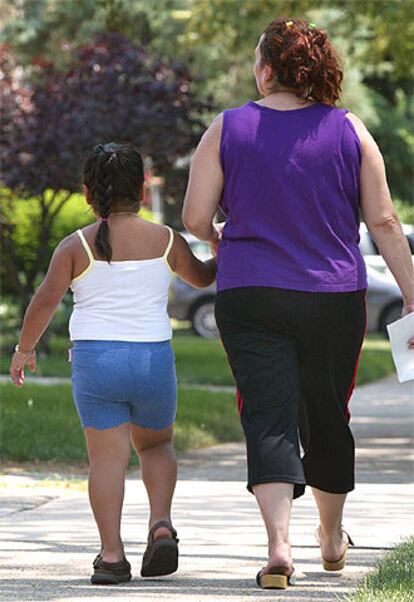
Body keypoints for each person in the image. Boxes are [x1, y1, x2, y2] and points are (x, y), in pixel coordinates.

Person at [182, 17, 414, 590]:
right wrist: (412, 293)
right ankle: (331, 538)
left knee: (267, 413)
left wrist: (224, 238)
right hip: (333, 296)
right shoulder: (349, 129)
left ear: (266, 69)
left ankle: (279, 549)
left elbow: (192, 218)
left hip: (250, 292)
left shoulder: (227, 127)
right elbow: (384, 220)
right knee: (327, 413)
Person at [10, 142, 216, 585]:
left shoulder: (75, 245)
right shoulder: (166, 240)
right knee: (156, 446)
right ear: (142, 191)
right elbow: (203, 277)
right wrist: (225, 246)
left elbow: (44, 301)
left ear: (88, 193)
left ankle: (111, 555)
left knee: (107, 461)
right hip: (152, 361)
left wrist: (24, 350)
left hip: (96, 361)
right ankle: (160, 523)